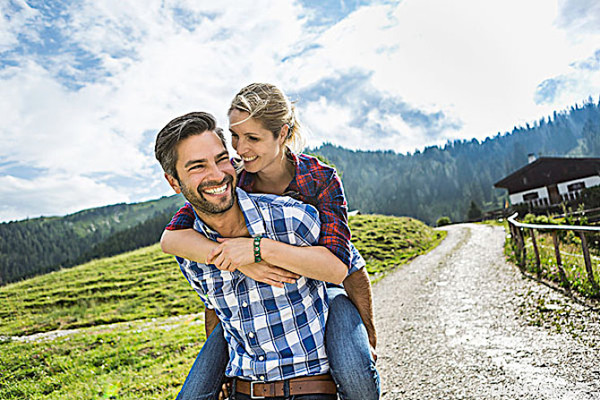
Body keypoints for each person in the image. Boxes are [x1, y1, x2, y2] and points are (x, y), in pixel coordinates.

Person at [162, 84, 380, 400]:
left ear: (282, 134)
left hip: (324, 284)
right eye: (235, 136)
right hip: (248, 303)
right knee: (193, 392)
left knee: (356, 373)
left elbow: (345, 267)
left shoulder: (319, 180)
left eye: (253, 138)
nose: (240, 149)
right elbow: (171, 237)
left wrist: (369, 335)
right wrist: (232, 259)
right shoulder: (231, 177)